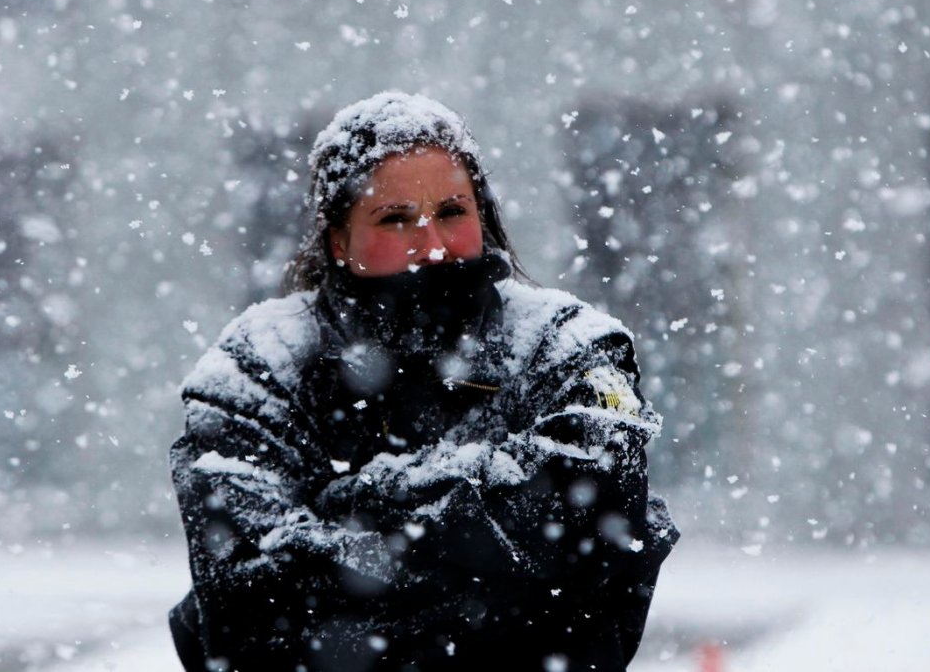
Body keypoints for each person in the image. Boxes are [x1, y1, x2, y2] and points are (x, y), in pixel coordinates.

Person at [168, 91, 678, 671]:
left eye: (452, 212)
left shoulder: (570, 344)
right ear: (339, 239)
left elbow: (592, 520)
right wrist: (487, 559)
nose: (433, 245)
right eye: (396, 218)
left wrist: (352, 505)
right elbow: (242, 593)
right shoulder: (257, 362)